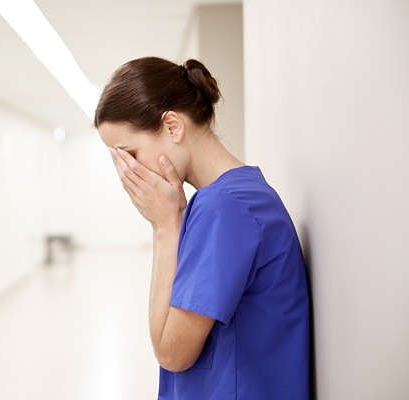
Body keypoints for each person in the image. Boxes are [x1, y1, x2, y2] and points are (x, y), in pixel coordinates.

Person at [94, 57, 310, 399]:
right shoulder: (238, 194)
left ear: (172, 126)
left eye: (130, 153)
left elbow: (172, 353)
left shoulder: (223, 208)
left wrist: (164, 226)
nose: (128, 172)